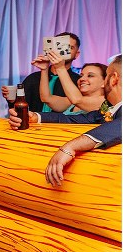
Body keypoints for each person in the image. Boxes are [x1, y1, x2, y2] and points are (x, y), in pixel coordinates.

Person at [8, 54, 121, 187]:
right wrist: (35, 117)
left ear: (113, 79)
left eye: (107, 75)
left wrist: (70, 147)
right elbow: (73, 119)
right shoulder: (109, 110)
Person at [1, 32, 81, 112]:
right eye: (59, 45)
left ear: (76, 54)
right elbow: (20, 106)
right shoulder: (33, 78)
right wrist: (12, 99)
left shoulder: (79, 82)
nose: (63, 50)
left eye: (70, 47)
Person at [36, 50, 106, 114]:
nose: (82, 79)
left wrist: (60, 68)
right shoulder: (71, 102)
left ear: (104, 82)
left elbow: (77, 100)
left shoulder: (106, 102)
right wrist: (44, 69)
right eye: (81, 75)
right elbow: (46, 98)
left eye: (90, 76)